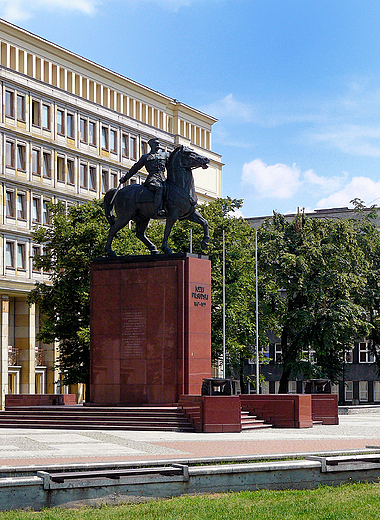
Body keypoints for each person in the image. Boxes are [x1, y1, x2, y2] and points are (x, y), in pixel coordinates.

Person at [120, 137, 169, 217]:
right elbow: (135, 168)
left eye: (158, 143)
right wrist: (125, 178)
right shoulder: (146, 157)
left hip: (163, 178)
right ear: (151, 145)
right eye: (156, 143)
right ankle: (158, 209)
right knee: (159, 188)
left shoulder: (164, 155)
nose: (158, 144)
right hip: (152, 179)